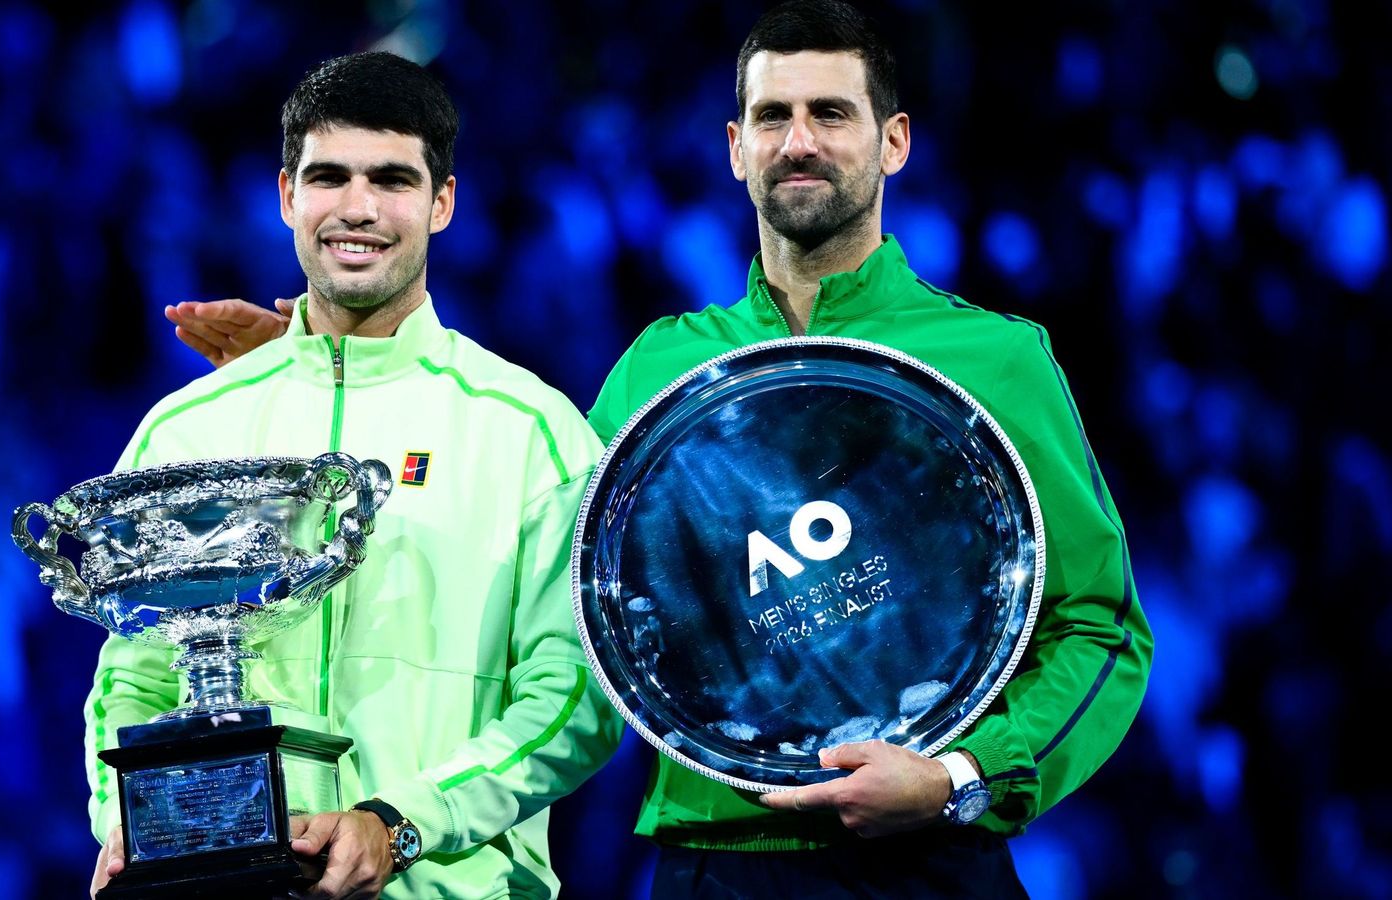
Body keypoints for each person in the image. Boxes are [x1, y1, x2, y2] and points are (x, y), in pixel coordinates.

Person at [170, 3, 1152, 896]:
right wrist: (331, 373)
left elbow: (1100, 633)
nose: (798, 142)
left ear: (892, 141)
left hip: (931, 861)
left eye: (830, 115)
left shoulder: (994, 359)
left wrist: (957, 780)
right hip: (709, 865)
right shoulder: (660, 369)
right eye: (771, 117)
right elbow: (524, 544)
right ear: (734, 148)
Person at [86, 51, 621, 900]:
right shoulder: (186, 429)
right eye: (329, 176)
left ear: (442, 203)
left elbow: (571, 703)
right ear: (287, 195)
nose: (359, 208)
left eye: (393, 179)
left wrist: (399, 822)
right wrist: (133, 820)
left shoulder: (531, 431)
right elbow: (138, 673)